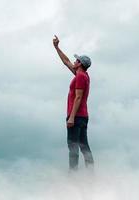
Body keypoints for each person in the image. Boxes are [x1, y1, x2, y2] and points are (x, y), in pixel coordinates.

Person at [53, 35, 94, 171]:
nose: (74, 61)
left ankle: (74, 175)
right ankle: (90, 173)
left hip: (76, 116)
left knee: (73, 146)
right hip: (82, 116)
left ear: (80, 64)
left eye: (76, 60)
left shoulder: (80, 77)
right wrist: (57, 47)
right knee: (84, 146)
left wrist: (71, 117)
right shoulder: (82, 75)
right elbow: (66, 62)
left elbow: (78, 97)